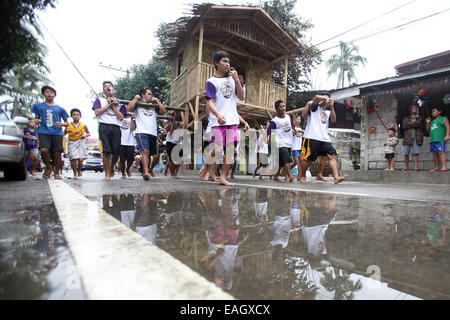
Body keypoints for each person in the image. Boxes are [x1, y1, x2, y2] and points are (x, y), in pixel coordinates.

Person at [204, 50, 249, 186]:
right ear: (217, 63)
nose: (227, 64)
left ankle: (223, 177)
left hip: (232, 120)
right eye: (224, 61)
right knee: (218, 150)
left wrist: (236, 79)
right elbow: (210, 102)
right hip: (218, 121)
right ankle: (206, 165)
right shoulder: (211, 81)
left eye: (228, 61)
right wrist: (218, 115)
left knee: (230, 150)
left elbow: (241, 97)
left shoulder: (232, 79)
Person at [300, 93, 347, 184]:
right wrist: (324, 98)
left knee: (331, 156)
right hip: (312, 136)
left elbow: (333, 120)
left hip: (324, 138)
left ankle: (336, 177)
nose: (327, 101)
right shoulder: (314, 107)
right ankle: (302, 176)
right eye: (325, 99)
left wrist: (332, 107)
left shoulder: (328, 112)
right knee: (309, 159)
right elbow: (316, 97)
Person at [127, 87, 166, 180]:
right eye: (149, 94)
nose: (151, 96)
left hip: (152, 133)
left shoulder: (153, 105)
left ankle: (150, 169)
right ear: (143, 95)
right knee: (145, 151)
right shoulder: (137, 104)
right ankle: (146, 172)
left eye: (151, 94)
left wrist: (157, 100)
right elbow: (128, 109)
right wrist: (135, 98)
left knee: (156, 156)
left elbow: (164, 111)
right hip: (142, 131)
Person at [92, 81, 127, 180]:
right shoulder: (99, 100)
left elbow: (121, 117)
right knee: (106, 151)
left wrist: (114, 106)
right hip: (104, 126)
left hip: (116, 127)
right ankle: (107, 174)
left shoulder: (120, 103)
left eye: (110, 86)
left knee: (116, 153)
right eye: (105, 87)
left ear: (113, 89)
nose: (108, 88)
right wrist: (108, 104)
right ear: (103, 91)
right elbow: (97, 112)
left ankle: (111, 167)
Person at [32, 85, 69, 179]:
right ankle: (48, 167)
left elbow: (67, 123)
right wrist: (36, 121)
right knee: (44, 150)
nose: (49, 93)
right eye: (47, 92)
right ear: (43, 94)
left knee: (57, 153)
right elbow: (36, 119)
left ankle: (57, 172)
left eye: (52, 92)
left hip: (57, 133)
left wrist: (61, 124)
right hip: (43, 131)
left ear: (55, 95)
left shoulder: (60, 108)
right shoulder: (38, 106)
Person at [267, 100, 295, 182]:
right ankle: (290, 176)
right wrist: (269, 140)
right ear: (277, 109)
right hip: (281, 143)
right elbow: (268, 131)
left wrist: (293, 131)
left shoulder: (288, 117)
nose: (283, 108)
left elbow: (292, 126)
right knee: (286, 159)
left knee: (281, 162)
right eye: (281, 107)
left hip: (289, 142)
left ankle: (275, 176)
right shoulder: (275, 121)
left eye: (284, 106)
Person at [64, 108, 90, 179]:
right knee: (73, 158)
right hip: (72, 142)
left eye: (77, 115)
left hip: (81, 141)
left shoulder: (83, 125)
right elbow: (64, 134)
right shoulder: (68, 125)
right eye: (74, 115)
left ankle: (79, 170)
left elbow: (89, 133)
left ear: (80, 116)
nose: (76, 116)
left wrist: (85, 135)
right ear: (71, 116)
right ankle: (75, 173)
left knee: (81, 159)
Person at [426, 106, 450, 172]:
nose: (432, 113)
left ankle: (444, 167)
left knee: (441, 152)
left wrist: (447, 135)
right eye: (432, 112)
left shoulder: (443, 118)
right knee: (434, 153)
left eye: (434, 111)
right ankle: (436, 167)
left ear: (439, 112)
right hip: (433, 139)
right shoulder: (432, 122)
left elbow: (448, 127)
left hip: (440, 139)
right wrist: (428, 123)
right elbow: (428, 131)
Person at [402, 103, 425, 171]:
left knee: (416, 153)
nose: (415, 109)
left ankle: (416, 167)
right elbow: (404, 126)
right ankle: (406, 167)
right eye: (413, 107)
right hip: (407, 138)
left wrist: (409, 124)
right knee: (406, 153)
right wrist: (415, 124)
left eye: (416, 107)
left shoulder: (420, 117)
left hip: (416, 137)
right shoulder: (406, 118)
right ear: (410, 109)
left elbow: (419, 124)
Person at [119, 110, 136, 179]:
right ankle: (123, 173)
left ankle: (127, 169)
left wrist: (132, 118)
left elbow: (133, 128)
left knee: (131, 159)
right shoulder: (119, 117)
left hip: (130, 142)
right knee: (122, 160)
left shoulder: (131, 119)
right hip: (121, 142)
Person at [291, 114, 304, 180]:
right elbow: (294, 132)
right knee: (296, 162)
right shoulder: (293, 129)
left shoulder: (301, 129)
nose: (298, 120)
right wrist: (293, 116)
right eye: (297, 119)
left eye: (299, 119)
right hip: (295, 147)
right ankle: (288, 169)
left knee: (301, 162)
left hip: (300, 148)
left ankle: (299, 177)